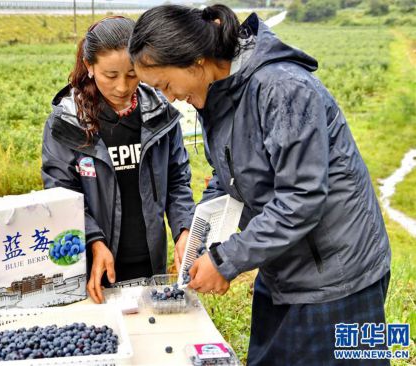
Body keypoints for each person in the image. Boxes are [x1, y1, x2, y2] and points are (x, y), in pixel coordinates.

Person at [129, 5, 391, 365]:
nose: (170, 97)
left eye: (166, 85)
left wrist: (225, 261)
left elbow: (301, 198)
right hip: (283, 267)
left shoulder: (283, 89)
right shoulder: (220, 94)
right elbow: (229, 174)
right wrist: (196, 231)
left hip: (335, 277)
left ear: (196, 62)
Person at [41, 16, 194, 304]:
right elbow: (61, 195)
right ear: (90, 67)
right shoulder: (68, 122)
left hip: (150, 262)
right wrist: (93, 242)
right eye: (110, 76)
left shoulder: (159, 115)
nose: (122, 87)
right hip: (94, 264)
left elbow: (177, 181)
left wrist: (185, 229)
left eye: (133, 74)